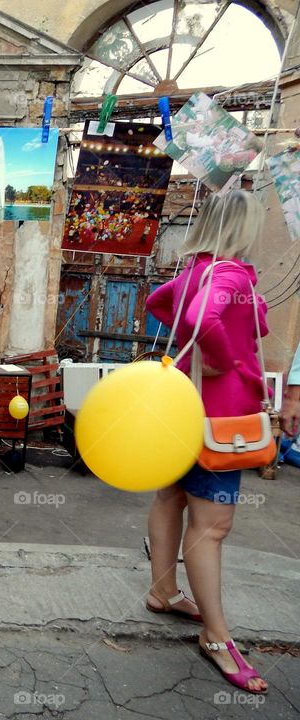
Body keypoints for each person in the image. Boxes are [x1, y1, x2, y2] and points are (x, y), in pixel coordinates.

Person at [145, 189, 269, 695]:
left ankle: (163, 591)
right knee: (212, 527)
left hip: (180, 407)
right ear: (243, 227)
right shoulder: (232, 275)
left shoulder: (195, 270)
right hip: (221, 419)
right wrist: (225, 360)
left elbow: (160, 302)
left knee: (170, 496)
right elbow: (202, 320)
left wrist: (195, 352)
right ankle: (216, 638)